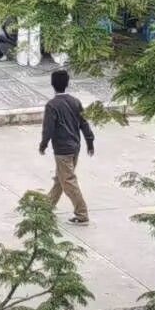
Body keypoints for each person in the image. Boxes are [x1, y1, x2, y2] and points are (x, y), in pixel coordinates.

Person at [39, 67, 94, 224]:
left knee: (68, 180)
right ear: (67, 84)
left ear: (52, 84)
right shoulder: (75, 102)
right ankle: (47, 207)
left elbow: (48, 128)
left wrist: (43, 144)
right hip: (75, 146)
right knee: (60, 179)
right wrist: (90, 141)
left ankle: (82, 214)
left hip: (62, 150)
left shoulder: (52, 105)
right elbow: (84, 123)